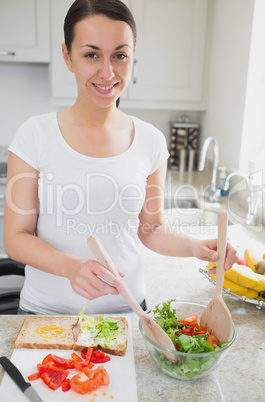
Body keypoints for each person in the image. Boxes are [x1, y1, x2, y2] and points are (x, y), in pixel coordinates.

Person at [4, 0, 237, 316]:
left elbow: (151, 228)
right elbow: (15, 238)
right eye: (91, 55)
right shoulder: (35, 134)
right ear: (67, 56)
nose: (107, 71)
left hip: (128, 314)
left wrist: (194, 247)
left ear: (132, 55)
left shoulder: (150, 140)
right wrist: (71, 266)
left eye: (120, 55)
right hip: (46, 314)